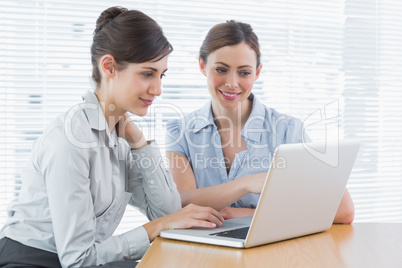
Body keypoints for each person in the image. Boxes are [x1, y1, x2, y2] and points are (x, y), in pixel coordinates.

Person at [0, 6, 224, 268]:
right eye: (147, 73)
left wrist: (139, 143)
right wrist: (156, 227)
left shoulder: (119, 135)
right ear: (109, 66)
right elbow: (78, 259)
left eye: (161, 75)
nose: (158, 89)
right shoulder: (70, 139)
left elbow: (168, 213)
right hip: (33, 261)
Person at [165, 20, 355, 224]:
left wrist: (252, 215)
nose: (232, 83)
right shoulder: (180, 131)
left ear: (257, 72)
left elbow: (343, 210)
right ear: (203, 66)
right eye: (221, 69)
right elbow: (179, 205)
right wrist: (245, 184)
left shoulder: (287, 130)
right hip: (202, 250)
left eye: (244, 72)